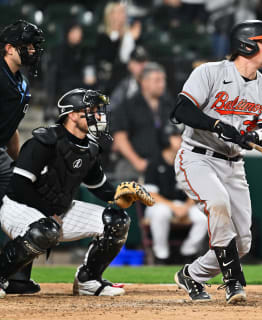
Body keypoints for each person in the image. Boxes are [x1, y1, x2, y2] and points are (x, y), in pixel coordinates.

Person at [0, 88, 153, 298]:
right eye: (91, 110)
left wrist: (121, 194)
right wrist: (47, 212)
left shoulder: (90, 148)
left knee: (117, 221)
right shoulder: (44, 141)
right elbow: (18, 186)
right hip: (19, 208)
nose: (98, 115)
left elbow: (100, 188)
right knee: (45, 229)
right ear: (72, 115)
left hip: (57, 213)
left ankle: (88, 280)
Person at [171, 20, 262, 303]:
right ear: (246, 45)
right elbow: (182, 110)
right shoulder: (209, 72)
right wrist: (217, 125)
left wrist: (254, 135)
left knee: (242, 241)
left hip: (233, 164)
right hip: (197, 157)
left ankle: (192, 274)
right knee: (217, 203)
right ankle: (233, 279)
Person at [0, 19, 45, 295]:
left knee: (25, 205)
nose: (31, 50)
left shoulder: (21, 83)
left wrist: (20, 163)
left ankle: (16, 276)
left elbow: (11, 128)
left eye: (33, 46)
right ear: (8, 49)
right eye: (25, 46)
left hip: (2, 153)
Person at [143, 124, 208, 264]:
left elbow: (197, 190)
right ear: (165, 139)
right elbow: (151, 194)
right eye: (175, 136)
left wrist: (185, 206)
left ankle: (188, 252)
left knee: (204, 216)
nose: (180, 139)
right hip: (159, 204)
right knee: (161, 213)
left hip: (185, 204)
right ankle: (161, 255)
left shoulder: (188, 161)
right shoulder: (154, 163)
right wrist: (174, 207)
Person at [111, 62, 174, 182]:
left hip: (161, 164)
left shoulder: (168, 105)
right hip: (132, 164)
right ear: (144, 82)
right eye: (157, 80)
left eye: (163, 80)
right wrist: (138, 162)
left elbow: (175, 137)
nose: (162, 84)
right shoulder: (127, 106)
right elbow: (120, 138)